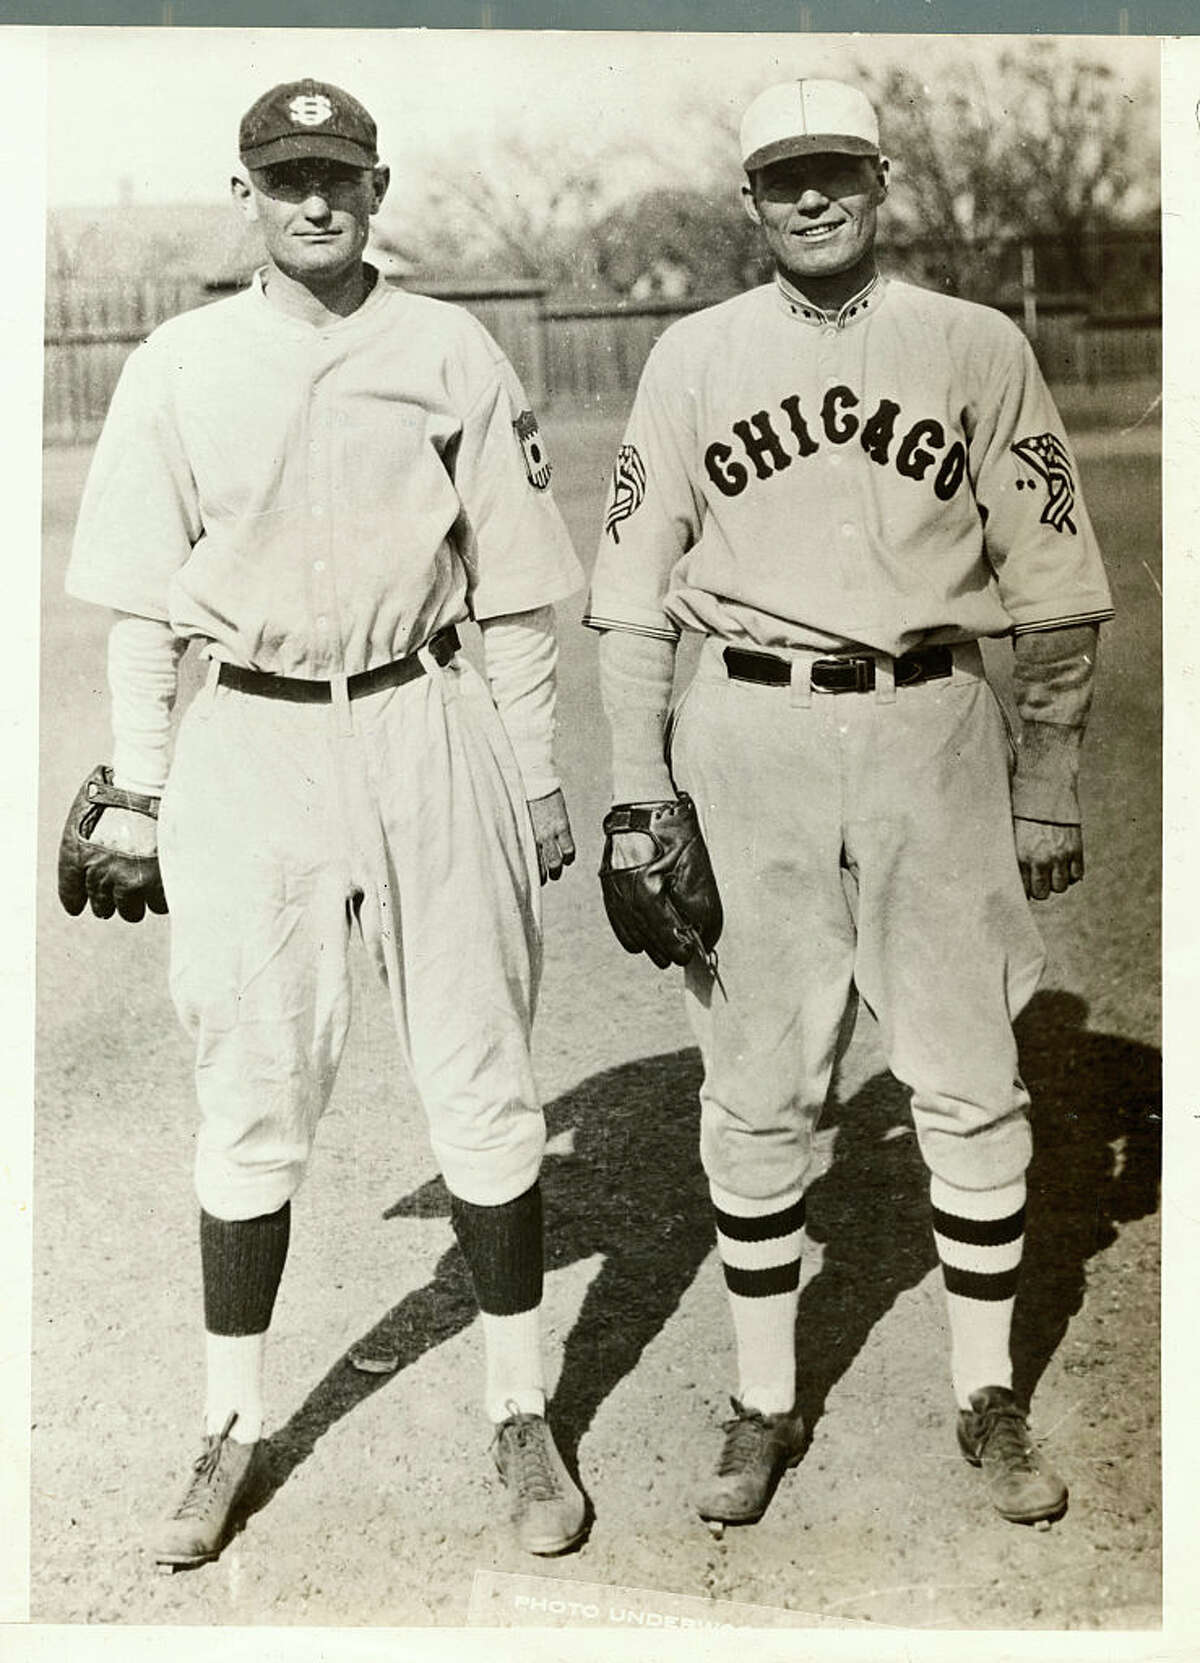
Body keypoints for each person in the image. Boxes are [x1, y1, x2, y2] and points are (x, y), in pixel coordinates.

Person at [59, 78, 587, 1566]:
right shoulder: (178, 362)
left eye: (339, 178)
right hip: (250, 741)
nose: (314, 202)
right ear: (244, 194)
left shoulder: (447, 347)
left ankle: (518, 1406)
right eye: (285, 177)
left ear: (378, 188)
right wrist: (143, 788)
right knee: (251, 1080)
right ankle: (230, 1424)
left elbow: (519, 594)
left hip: (428, 720)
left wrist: (536, 778)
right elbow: (143, 617)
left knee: (482, 1072)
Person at [587, 77, 1113, 1529]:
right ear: (749, 200)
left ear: (881, 186)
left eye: (837, 174)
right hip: (744, 736)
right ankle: (764, 1398)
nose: (812, 200)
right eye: (783, 178)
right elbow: (632, 599)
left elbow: (1058, 587)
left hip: (933, 728)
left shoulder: (975, 343)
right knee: (756, 1082)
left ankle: (986, 1389)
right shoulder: (691, 358)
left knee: (968, 1072)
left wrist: (1050, 780)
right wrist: (639, 794)